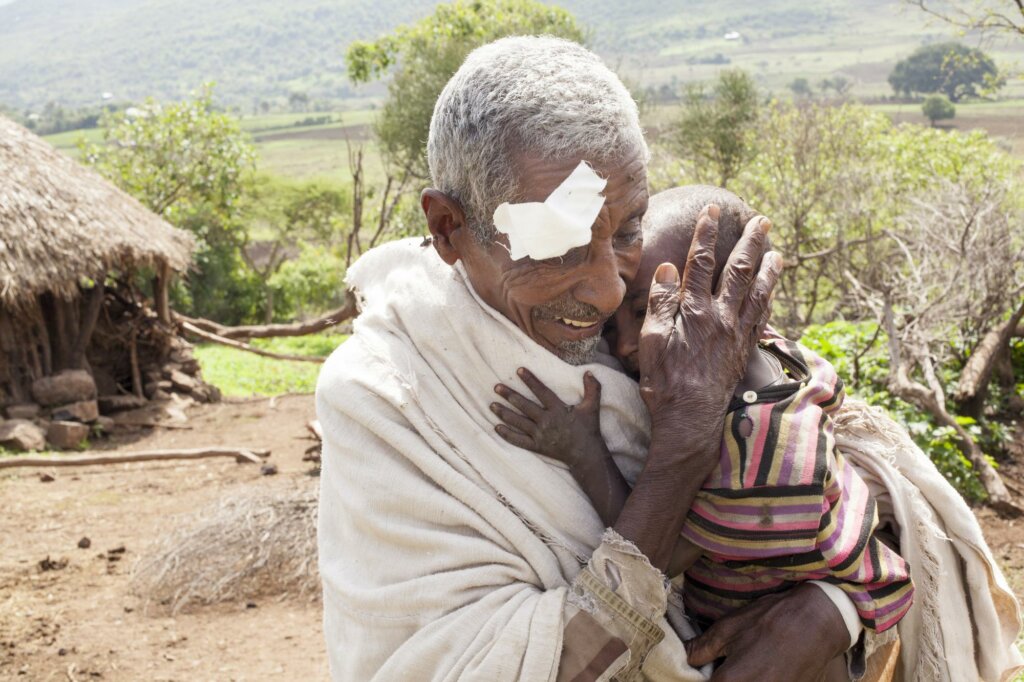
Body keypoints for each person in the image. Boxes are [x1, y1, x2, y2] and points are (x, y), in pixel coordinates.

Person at [316, 36, 1022, 682]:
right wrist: (682, 447)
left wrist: (831, 611)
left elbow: (841, 484)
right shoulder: (388, 397)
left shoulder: (673, 311)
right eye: (558, 246)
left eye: (624, 232)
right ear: (449, 226)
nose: (605, 286)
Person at [489, 186, 914, 642]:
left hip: (794, 627)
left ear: (734, 305)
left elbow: (653, 558)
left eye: (656, 312)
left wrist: (584, 451)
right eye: (615, 323)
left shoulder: (760, 453)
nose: (626, 344)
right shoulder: (775, 354)